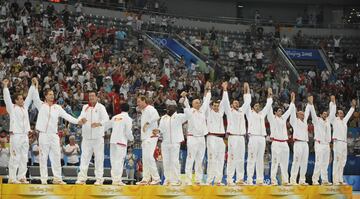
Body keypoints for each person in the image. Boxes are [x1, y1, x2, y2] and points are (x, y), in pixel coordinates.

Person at [32, 78, 84, 185]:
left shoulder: (57, 108)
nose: (52, 96)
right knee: (43, 157)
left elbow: (67, 116)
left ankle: (58, 178)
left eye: (52, 94)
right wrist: (36, 85)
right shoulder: (41, 105)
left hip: (54, 135)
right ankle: (44, 179)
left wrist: (78, 121)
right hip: (43, 135)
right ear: (45, 96)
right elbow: (35, 97)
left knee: (56, 157)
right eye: (50, 94)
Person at [3, 78, 36, 184]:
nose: (22, 100)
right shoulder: (12, 108)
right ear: (16, 100)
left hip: (25, 136)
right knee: (15, 157)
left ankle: (22, 177)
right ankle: (12, 178)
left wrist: (32, 85)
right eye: (20, 99)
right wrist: (5, 87)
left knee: (24, 157)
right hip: (15, 136)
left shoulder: (25, 108)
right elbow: (7, 99)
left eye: (22, 99)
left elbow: (30, 97)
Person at [76, 90, 109, 185]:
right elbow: (80, 118)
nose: (91, 98)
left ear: (96, 97)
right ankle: (82, 178)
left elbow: (106, 118)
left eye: (93, 96)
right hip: (86, 137)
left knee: (99, 158)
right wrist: (81, 120)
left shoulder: (101, 107)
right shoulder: (85, 107)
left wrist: (99, 123)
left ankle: (99, 179)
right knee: (84, 158)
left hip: (98, 137)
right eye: (89, 96)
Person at [181, 82, 211, 185]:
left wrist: (208, 90)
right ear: (193, 104)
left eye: (199, 102)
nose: (199, 104)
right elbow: (185, 104)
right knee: (190, 159)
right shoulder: (190, 112)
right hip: (192, 138)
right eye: (196, 102)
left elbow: (207, 101)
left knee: (200, 160)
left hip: (202, 138)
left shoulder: (203, 111)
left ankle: (198, 179)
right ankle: (188, 180)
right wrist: (184, 97)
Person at [244, 87, 273, 185]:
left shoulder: (262, 114)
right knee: (251, 159)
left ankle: (260, 180)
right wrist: (247, 92)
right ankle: (249, 179)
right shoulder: (249, 113)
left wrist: (269, 96)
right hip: (253, 137)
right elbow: (247, 103)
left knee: (260, 159)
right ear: (253, 108)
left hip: (262, 138)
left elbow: (268, 106)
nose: (258, 107)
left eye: (258, 106)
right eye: (256, 106)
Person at [224, 82, 251, 186]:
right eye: (235, 103)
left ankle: (240, 179)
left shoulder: (241, 111)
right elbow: (225, 102)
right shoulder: (229, 111)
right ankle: (229, 179)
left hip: (241, 138)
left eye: (237, 103)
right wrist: (225, 90)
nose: (237, 104)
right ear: (231, 105)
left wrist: (246, 90)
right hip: (233, 137)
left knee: (240, 158)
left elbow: (248, 102)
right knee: (231, 158)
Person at [267, 92, 295, 185]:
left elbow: (290, 110)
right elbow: (268, 109)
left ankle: (285, 181)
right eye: (279, 110)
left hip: (284, 144)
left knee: (284, 164)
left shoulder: (283, 118)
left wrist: (292, 100)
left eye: (281, 110)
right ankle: (273, 181)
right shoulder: (272, 118)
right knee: (275, 163)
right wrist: (269, 97)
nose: (281, 112)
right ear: (275, 112)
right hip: (276, 143)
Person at [156, 101, 187, 186]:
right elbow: (160, 129)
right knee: (166, 161)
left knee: (174, 161)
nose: (168, 108)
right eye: (168, 107)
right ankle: (168, 179)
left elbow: (188, 114)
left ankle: (176, 179)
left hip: (175, 142)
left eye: (171, 107)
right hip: (165, 142)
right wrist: (157, 132)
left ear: (175, 109)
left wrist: (184, 103)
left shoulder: (179, 117)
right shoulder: (163, 118)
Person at [205, 82, 228, 186]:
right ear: (211, 106)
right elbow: (205, 102)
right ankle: (209, 180)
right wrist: (208, 90)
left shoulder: (220, 112)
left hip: (220, 139)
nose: (216, 107)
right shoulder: (208, 113)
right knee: (211, 159)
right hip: (211, 137)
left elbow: (224, 102)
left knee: (220, 159)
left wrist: (225, 89)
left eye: (217, 106)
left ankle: (218, 180)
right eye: (214, 105)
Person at [329, 96, 356, 185]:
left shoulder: (344, 121)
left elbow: (349, 114)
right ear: (337, 114)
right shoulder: (334, 120)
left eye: (342, 113)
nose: (342, 114)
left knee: (343, 161)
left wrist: (352, 107)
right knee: (337, 161)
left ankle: (340, 179)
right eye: (340, 113)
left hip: (344, 143)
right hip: (337, 143)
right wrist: (333, 103)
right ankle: (335, 180)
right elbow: (332, 113)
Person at [106, 103, 134, 186]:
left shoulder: (115, 117)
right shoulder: (128, 119)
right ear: (129, 110)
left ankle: (115, 179)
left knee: (113, 161)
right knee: (119, 161)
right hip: (121, 142)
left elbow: (106, 126)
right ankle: (117, 180)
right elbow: (128, 132)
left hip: (113, 141)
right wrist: (131, 139)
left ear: (120, 109)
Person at [136, 95, 161, 185]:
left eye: (139, 101)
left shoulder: (150, 108)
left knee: (149, 157)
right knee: (145, 159)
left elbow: (157, 116)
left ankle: (156, 178)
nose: (137, 104)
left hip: (151, 136)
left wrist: (147, 123)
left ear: (144, 101)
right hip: (145, 138)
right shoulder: (143, 111)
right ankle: (146, 178)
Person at [308, 95, 332, 185]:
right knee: (318, 162)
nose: (325, 115)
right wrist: (311, 104)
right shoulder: (317, 120)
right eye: (324, 114)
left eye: (326, 114)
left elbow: (332, 114)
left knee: (325, 163)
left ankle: (325, 180)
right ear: (321, 115)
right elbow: (313, 114)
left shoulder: (328, 122)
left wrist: (332, 104)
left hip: (326, 145)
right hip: (319, 144)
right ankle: (315, 180)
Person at [289, 95, 311, 185]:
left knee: (304, 163)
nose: (302, 115)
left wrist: (310, 103)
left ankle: (302, 180)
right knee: (296, 161)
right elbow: (292, 113)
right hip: (298, 143)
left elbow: (308, 111)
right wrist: (292, 102)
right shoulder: (294, 121)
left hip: (305, 144)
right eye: (300, 114)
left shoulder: (305, 122)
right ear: (297, 115)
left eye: (303, 114)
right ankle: (293, 180)